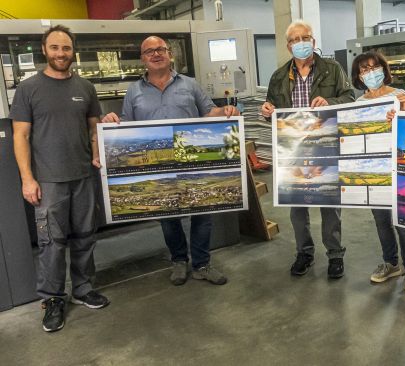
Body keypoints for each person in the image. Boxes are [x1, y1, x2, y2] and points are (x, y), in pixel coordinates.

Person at [102, 36, 239, 287]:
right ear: (143, 58)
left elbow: (210, 112)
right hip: (159, 161)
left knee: (202, 211)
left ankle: (201, 264)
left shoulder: (190, 84)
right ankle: (178, 260)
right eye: (150, 51)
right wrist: (112, 122)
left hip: (191, 156)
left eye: (161, 49)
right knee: (167, 214)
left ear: (170, 54)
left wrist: (226, 111)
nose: (156, 54)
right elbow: (126, 126)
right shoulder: (134, 91)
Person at [11, 25, 110, 333]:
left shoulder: (86, 87)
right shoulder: (28, 89)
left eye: (66, 48)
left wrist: (96, 155)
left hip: (83, 175)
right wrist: (28, 179)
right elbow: (20, 135)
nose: (60, 53)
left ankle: (82, 289)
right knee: (52, 243)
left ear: (73, 51)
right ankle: (53, 299)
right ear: (45, 49)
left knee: (84, 236)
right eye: (54, 48)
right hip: (49, 181)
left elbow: (93, 129)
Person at [261, 20, 354, 278]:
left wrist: (330, 101)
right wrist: (266, 111)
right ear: (288, 45)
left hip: (325, 146)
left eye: (306, 38)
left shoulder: (332, 69)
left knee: (329, 203)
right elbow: (271, 110)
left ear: (313, 42)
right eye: (295, 39)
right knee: (297, 205)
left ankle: (335, 254)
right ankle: (304, 253)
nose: (301, 43)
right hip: (293, 150)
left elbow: (349, 98)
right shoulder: (279, 76)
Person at [350, 51, 405, 293]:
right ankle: (391, 263)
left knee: (403, 221)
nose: (370, 72)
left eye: (374, 66)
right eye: (364, 69)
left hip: (398, 168)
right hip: (374, 171)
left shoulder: (400, 96)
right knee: (381, 220)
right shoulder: (358, 105)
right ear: (358, 76)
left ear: (383, 68)